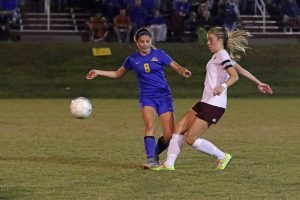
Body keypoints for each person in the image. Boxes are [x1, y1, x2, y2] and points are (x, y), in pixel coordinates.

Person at [155, 26, 273, 171]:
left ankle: (222, 156)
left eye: (211, 40)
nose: (208, 43)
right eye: (207, 40)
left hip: (214, 105)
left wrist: (222, 86)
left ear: (220, 40)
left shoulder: (222, 55)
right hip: (206, 101)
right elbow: (241, 70)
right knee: (179, 127)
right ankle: (168, 164)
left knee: (190, 138)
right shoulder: (220, 55)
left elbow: (234, 76)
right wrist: (259, 83)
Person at [86, 27, 192, 169]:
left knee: (168, 136)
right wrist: (98, 72)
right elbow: (117, 74)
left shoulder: (160, 54)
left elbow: (176, 66)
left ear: (150, 41)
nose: (145, 44)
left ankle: (154, 154)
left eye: (147, 41)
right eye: (141, 42)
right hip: (147, 97)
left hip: (164, 96)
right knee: (149, 125)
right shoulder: (132, 59)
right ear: (136, 42)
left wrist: (184, 71)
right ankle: (151, 160)